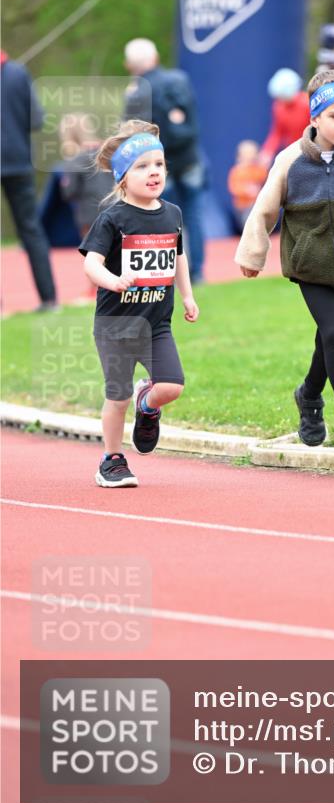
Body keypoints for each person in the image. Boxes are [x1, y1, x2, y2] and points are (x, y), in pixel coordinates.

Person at [235, 69, 334, 449]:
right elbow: (264, 210)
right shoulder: (290, 161)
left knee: (329, 342)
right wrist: (253, 254)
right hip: (308, 263)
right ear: (315, 118)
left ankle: (308, 396)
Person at [80, 119, 199, 487]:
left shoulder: (173, 214)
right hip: (116, 325)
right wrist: (113, 281)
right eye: (142, 167)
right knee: (117, 395)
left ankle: (148, 405)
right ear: (122, 177)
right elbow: (90, 263)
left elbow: (178, 257)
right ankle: (112, 460)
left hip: (155, 325)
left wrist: (188, 295)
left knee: (172, 386)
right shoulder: (113, 218)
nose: (154, 173)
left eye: (159, 165)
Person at [123, 38, 206, 283]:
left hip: (158, 164)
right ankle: (197, 271)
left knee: (162, 217)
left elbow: (131, 134)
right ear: (156, 57)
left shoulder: (136, 93)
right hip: (190, 158)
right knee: (193, 216)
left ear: (130, 65)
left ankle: (167, 272)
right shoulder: (180, 79)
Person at [0, 51, 58, 310]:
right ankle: (49, 299)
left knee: (30, 230)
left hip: (17, 163)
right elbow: (37, 120)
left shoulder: (16, 72)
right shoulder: (18, 72)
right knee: (31, 230)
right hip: (19, 161)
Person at [58, 113, 112, 240]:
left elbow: (69, 191)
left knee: (93, 255)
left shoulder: (75, 160)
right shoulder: (107, 151)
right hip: (116, 208)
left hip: (90, 214)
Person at [260, 68, 310, 166]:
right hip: (293, 153)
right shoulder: (278, 107)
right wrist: (267, 151)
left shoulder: (307, 103)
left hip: (310, 151)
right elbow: (277, 132)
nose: (280, 100)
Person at [227, 139, 266, 232]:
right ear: (240, 156)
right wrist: (246, 190)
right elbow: (233, 188)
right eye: (247, 154)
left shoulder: (259, 169)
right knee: (247, 219)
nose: (250, 157)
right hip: (242, 207)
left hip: (257, 205)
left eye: (253, 153)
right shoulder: (237, 171)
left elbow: (264, 181)